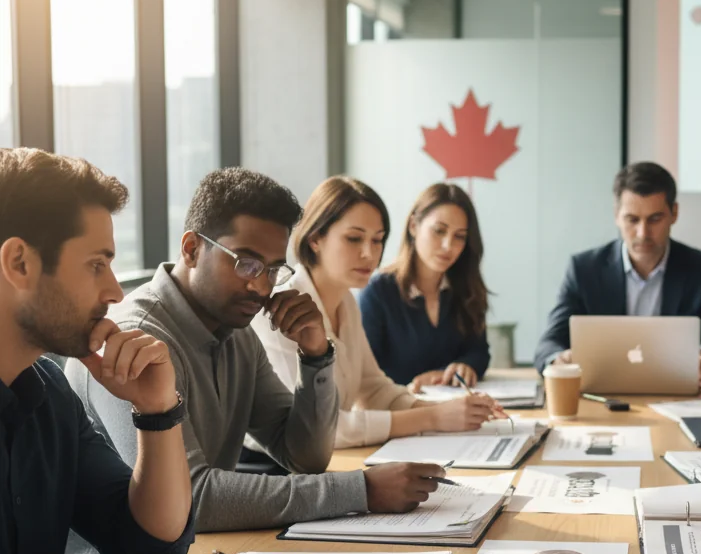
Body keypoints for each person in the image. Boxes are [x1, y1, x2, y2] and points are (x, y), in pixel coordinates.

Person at [0, 148, 295, 554]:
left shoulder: (48, 394)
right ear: (19, 263)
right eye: (95, 264)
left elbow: (152, 547)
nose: (114, 291)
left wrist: (158, 414)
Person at [67, 169, 445, 534]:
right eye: (246, 264)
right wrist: (361, 490)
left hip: (192, 553)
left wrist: (316, 355)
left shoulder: (236, 332)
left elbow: (304, 457)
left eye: (273, 269)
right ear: (192, 249)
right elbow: (191, 497)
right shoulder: (136, 338)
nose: (261, 288)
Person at [253, 176, 498, 448]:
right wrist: (433, 417)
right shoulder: (281, 308)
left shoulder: (345, 301)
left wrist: (448, 409)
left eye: (378, 240)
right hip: (269, 472)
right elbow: (316, 429)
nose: (370, 254)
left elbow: (374, 388)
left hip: (324, 464)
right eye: (354, 238)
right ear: (315, 239)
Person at [532, 162, 701, 388]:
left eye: (654, 219)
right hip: (602, 398)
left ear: (674, 214)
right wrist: (558, 359)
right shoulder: (584, 269)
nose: (643, 233)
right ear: (617, 216)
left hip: (678, 398)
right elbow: (548, 344)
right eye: (632, 220)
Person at [360, 183, 491, 391]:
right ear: (413, 226)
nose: (448, 245)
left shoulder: (466, 288)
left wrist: (466, 365)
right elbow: (364, 373)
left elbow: (479, 351)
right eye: (439, 231)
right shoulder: (378, 292)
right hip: (398, 413)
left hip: (454, 412)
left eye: (460, 236)